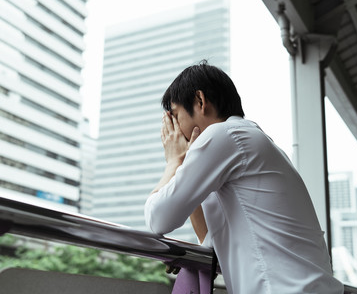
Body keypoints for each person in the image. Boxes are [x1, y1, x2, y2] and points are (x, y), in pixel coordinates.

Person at [144, 61, 344, 293]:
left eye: (176, 117)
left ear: (200, 101)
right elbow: (212, 241)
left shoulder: (225, 135)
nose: (176, 131)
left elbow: (158, 219)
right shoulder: (250, 141)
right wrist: (186, 166)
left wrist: (173, 162)